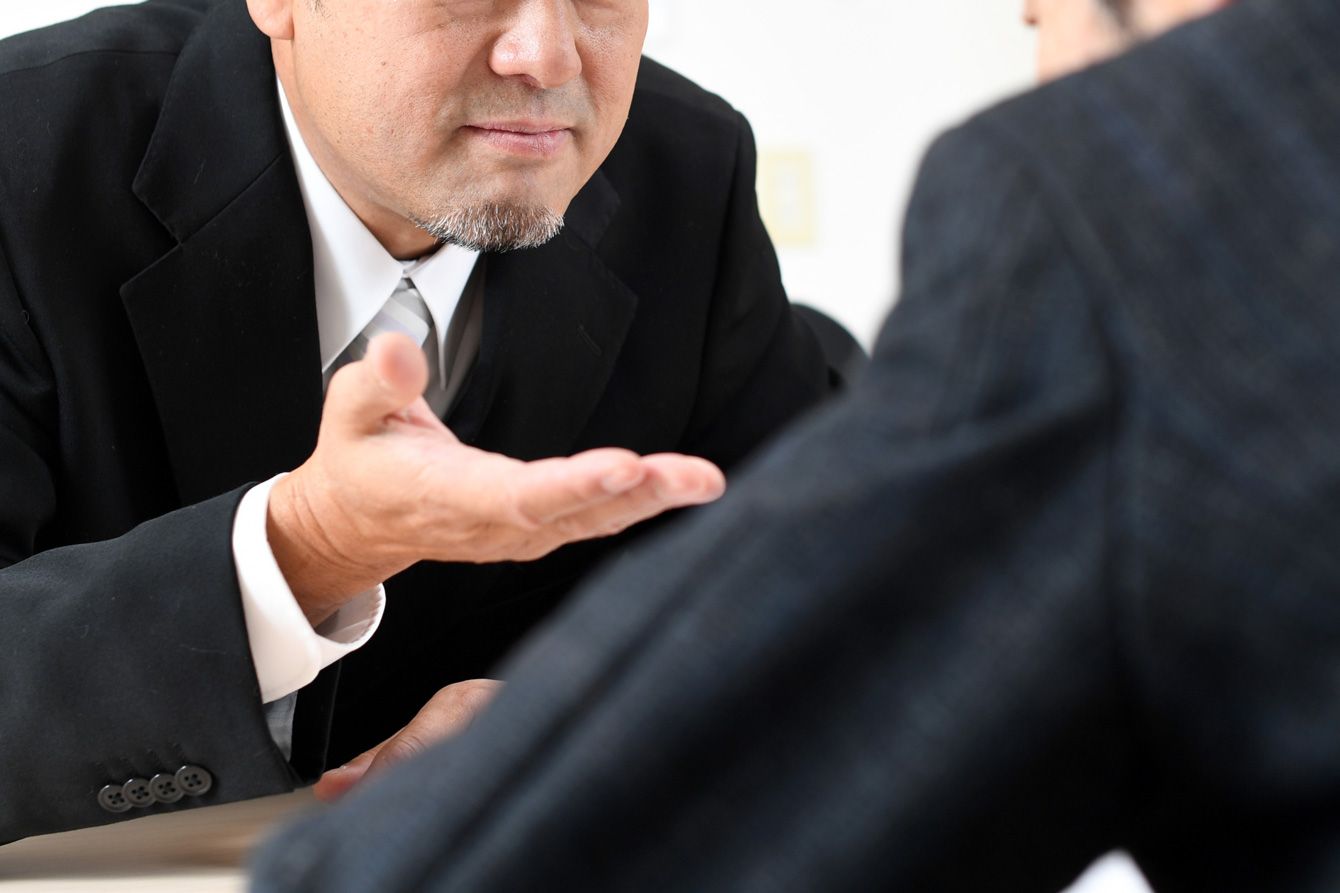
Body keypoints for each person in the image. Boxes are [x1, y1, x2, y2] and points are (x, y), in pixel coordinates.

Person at [251, 0, 1340, 889]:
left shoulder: (1132, 197)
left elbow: (818, 668)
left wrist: (550, 732)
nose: (544, 53)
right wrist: (300, 547)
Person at [0, 0, 838, 842]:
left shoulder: (689, 171)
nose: (546, 56)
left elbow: (833, 596)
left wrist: (613, 709)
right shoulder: (21, 152)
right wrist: (307, 548)